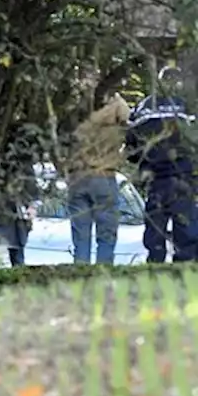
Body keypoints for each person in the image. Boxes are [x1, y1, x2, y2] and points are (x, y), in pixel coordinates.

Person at [127, 66, 198, 263]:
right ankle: (185, 270)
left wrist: (144, 162)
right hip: (183, 176)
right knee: (186, 230)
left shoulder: (143, 107)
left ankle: (154, 267)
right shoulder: (188, 107)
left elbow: (131, 142)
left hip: (155, 177)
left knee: (155, 228)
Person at [67, 93, 132, 264]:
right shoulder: (119, 111)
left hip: (78, 176)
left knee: (81, 236)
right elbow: (131, 135)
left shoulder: (77, 108)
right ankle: (103, 278)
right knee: (106, 236)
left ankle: (80, 278)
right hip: (104, 175)